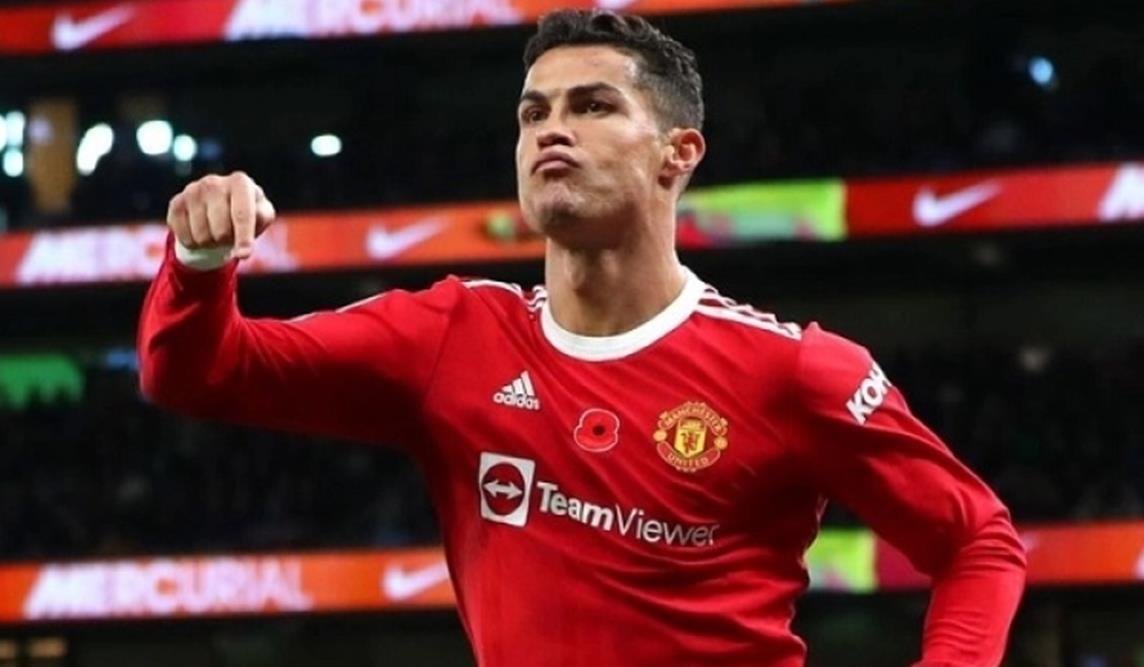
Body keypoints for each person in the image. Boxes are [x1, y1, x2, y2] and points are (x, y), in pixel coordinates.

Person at [138, 9, 1026, 666]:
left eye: (593, 105)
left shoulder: (794, 369)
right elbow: (197, 375)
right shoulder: (451, 334)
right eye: (532, 113)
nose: (550, 129)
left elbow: (977, 541)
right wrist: (199, 263)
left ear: (679, 152)